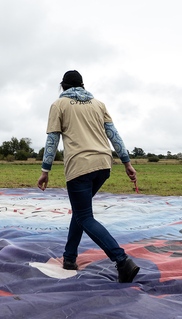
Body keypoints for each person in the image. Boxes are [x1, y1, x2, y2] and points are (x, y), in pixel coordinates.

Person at [36, 70, 141, 283]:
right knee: (80, 211)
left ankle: (121, 260)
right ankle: (69, 258)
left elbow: (52, 140)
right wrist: (127, 162)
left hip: (80, 166)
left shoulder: (59, 105)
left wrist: (45, 170)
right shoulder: (99, 104)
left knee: (84, 216)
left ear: (63, 86)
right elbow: (114, 135)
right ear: (83, 85)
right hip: (104, 164)